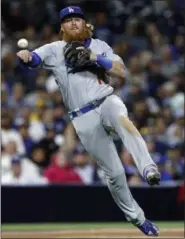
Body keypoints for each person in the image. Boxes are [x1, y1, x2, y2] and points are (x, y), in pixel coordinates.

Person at [16, 6, 161, 236]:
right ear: (62, 26)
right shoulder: (55, 49)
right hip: (82, 117)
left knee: (121, 116)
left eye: (77, 19)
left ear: (84, 24)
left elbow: (121, 71)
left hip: (105, 101)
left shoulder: (99, 46)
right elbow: (34, 58)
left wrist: (94, 58)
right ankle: (138, 219)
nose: (73, 23)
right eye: (68, 20)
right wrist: (26, 56)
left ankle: (148, 169)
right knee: (114, 174)